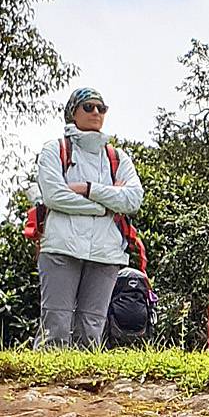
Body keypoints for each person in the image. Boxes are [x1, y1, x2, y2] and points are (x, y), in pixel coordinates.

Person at [30, 88, 143, 350]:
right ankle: (47, 386)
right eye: (88, 107)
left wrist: (89, 188)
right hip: (61, 247)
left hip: (106, 251)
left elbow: (132, 199)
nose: (96, 113)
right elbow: (54, 196)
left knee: (92, 328)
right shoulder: (55, 150)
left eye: (101, 108)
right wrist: (103, 207)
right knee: (55, 323)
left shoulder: (118, 158)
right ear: (73, 112)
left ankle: (81, 389)